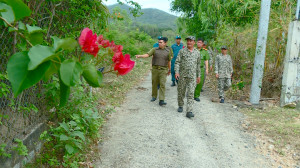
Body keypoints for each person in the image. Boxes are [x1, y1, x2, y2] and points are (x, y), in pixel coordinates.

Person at [136, 37, 171, 106]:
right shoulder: (154, 50)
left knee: (162, 84)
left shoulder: (168, 51)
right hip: (155, 69)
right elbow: (147, 55)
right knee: (154, 83)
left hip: (163, 70)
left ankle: (161, 100)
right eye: (159, 42)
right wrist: (140, 56)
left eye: (161, 42)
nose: (159, 43)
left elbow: (169, 61)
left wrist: (169, 70)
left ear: (165, 43)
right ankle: (154, 96)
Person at [175, 36, 201, 118]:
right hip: (183, 76)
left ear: (194, 42)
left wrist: (198, 76)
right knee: (181, 92)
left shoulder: (197, 52)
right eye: (188, 41)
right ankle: (180, 105)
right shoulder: (182, 51)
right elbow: (177, 62)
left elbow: (198, 65)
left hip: (192, 77)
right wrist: (176, 72)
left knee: (191, 93)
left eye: (190, 41)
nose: (189, 42)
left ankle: (189, 111)